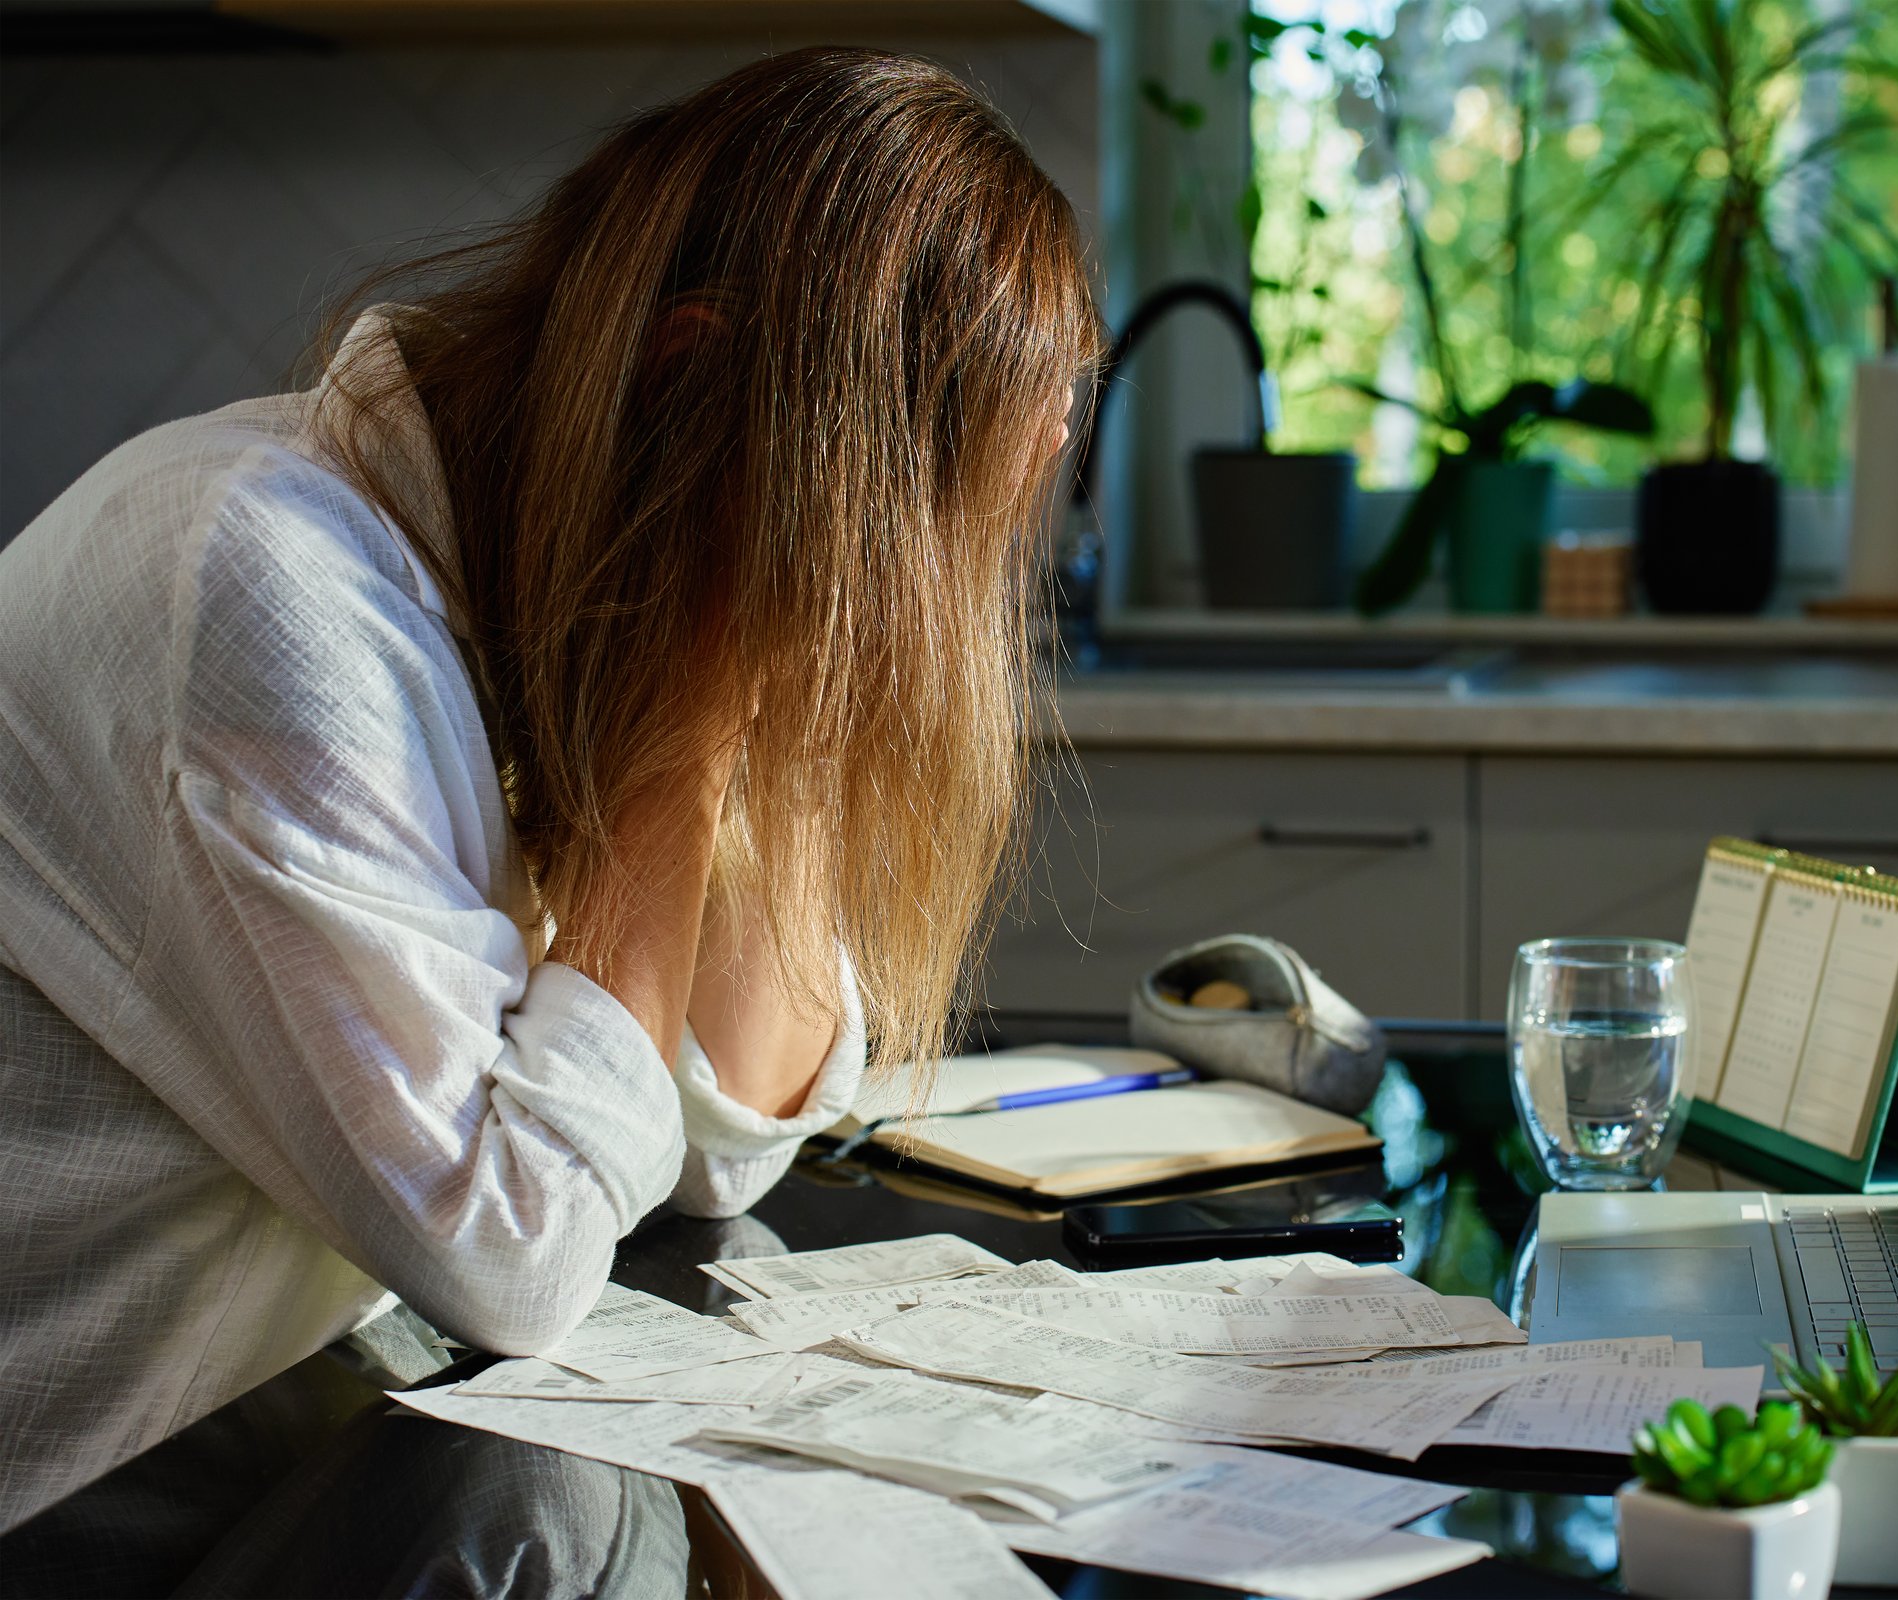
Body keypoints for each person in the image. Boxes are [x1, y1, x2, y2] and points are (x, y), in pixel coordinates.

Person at [0, 47, 1098, 1526]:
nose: (904, 631)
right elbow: (516, 1249)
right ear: (694, 387)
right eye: (900, 548)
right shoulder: (264, 598)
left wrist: (747, 663)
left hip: (290, 1399)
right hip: (88, 1492)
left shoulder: (530, 576)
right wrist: (693, 711)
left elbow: (719, 1148)